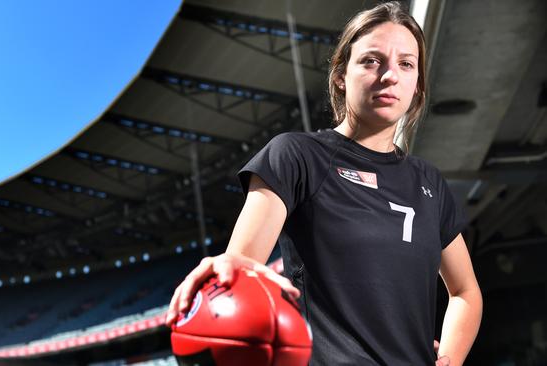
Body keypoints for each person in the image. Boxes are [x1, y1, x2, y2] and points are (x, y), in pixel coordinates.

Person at [166, 2, 483, 365]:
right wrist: (226, 269)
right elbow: (243, 266)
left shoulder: (429, 182)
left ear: (417, 85)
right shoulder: (297, 155)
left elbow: (465, 291)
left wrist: (451, 360)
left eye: (406, 64)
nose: (389, 75)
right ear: (340, 74)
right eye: (371, 60)